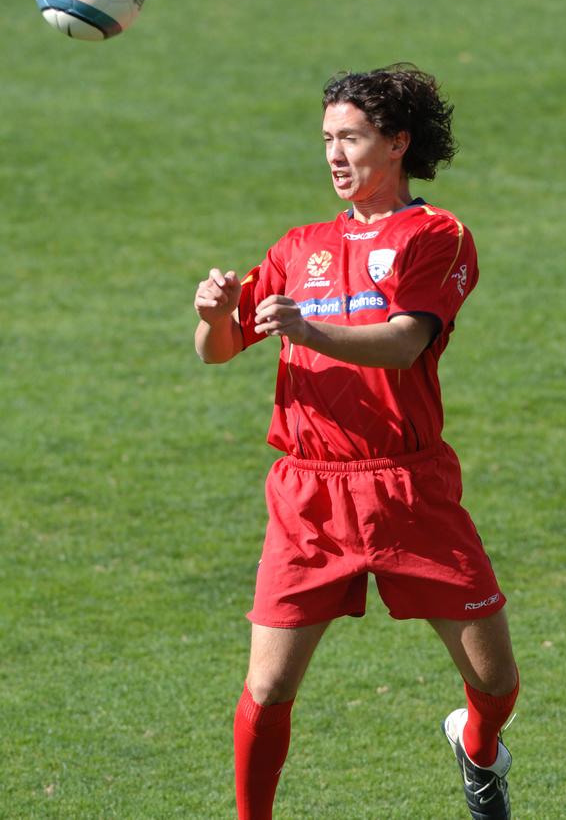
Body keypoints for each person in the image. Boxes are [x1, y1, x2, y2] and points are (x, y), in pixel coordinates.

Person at [194, 64, 519, 820]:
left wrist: (308, 330)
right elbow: (216, 349)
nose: (335, 154)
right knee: (268, 686)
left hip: (408, 486)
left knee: (496, 680)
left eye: (353, 137)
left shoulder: (435, 236)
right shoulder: (298, 245)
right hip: (309, 493)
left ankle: (477, 748)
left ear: (398, 142)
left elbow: (406, 341)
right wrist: (213, 313)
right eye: (328, 139)